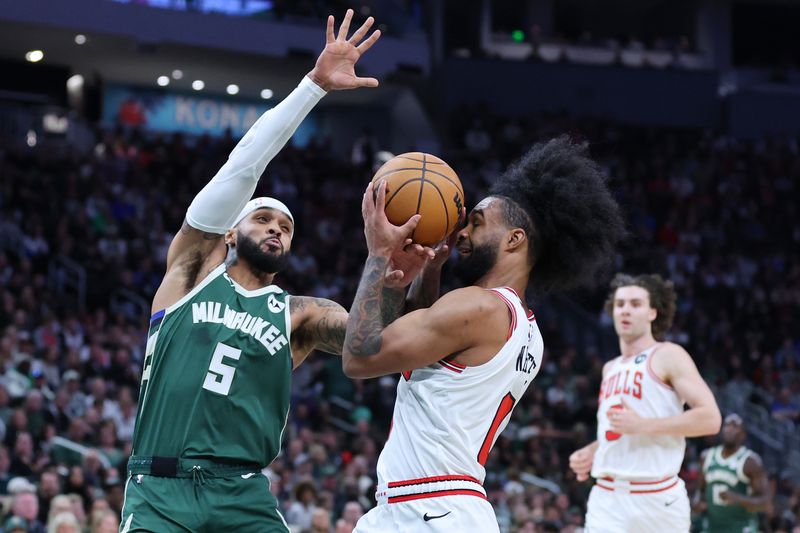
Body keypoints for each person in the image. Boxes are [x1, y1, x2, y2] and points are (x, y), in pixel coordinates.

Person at [120, 10, 382, 532]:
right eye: (262, 218)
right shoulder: (193, 272)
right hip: (159, 490)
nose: (276, 230)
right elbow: (244, 167)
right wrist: (312, 87)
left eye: (285, 226)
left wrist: (384, 260)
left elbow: (369, 341)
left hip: (242, 495)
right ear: (230, 233)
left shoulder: (300, 313)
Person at [342, 137, 627, 531]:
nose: (459, 234)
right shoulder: (527, 329)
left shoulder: (479, 307)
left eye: (475, 223)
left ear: (515, 239)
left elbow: (360, 359)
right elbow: (427, 358)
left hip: (429, 510)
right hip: (435, 506)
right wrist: (428, 271)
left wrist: (378, 254)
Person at [569, 273, 722, 532]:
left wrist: (644, 425)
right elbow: (621, 428)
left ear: (653, 312)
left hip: (656, 498)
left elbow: (710, 419)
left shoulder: (668, 355)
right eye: (620, 304)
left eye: (635, 304)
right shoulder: (610, 368)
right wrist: (593, 451)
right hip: (607, 497)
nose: (625, 310)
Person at [696, 414, 770, 533]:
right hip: (712, 527)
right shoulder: (706, 457)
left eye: (735, 426)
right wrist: (697, 504)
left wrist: (738, 499)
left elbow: (765, 502)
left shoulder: (751, 462)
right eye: (726, 425)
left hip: (741, 528)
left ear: (743, 434)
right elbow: (699, 492)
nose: (729, 429)